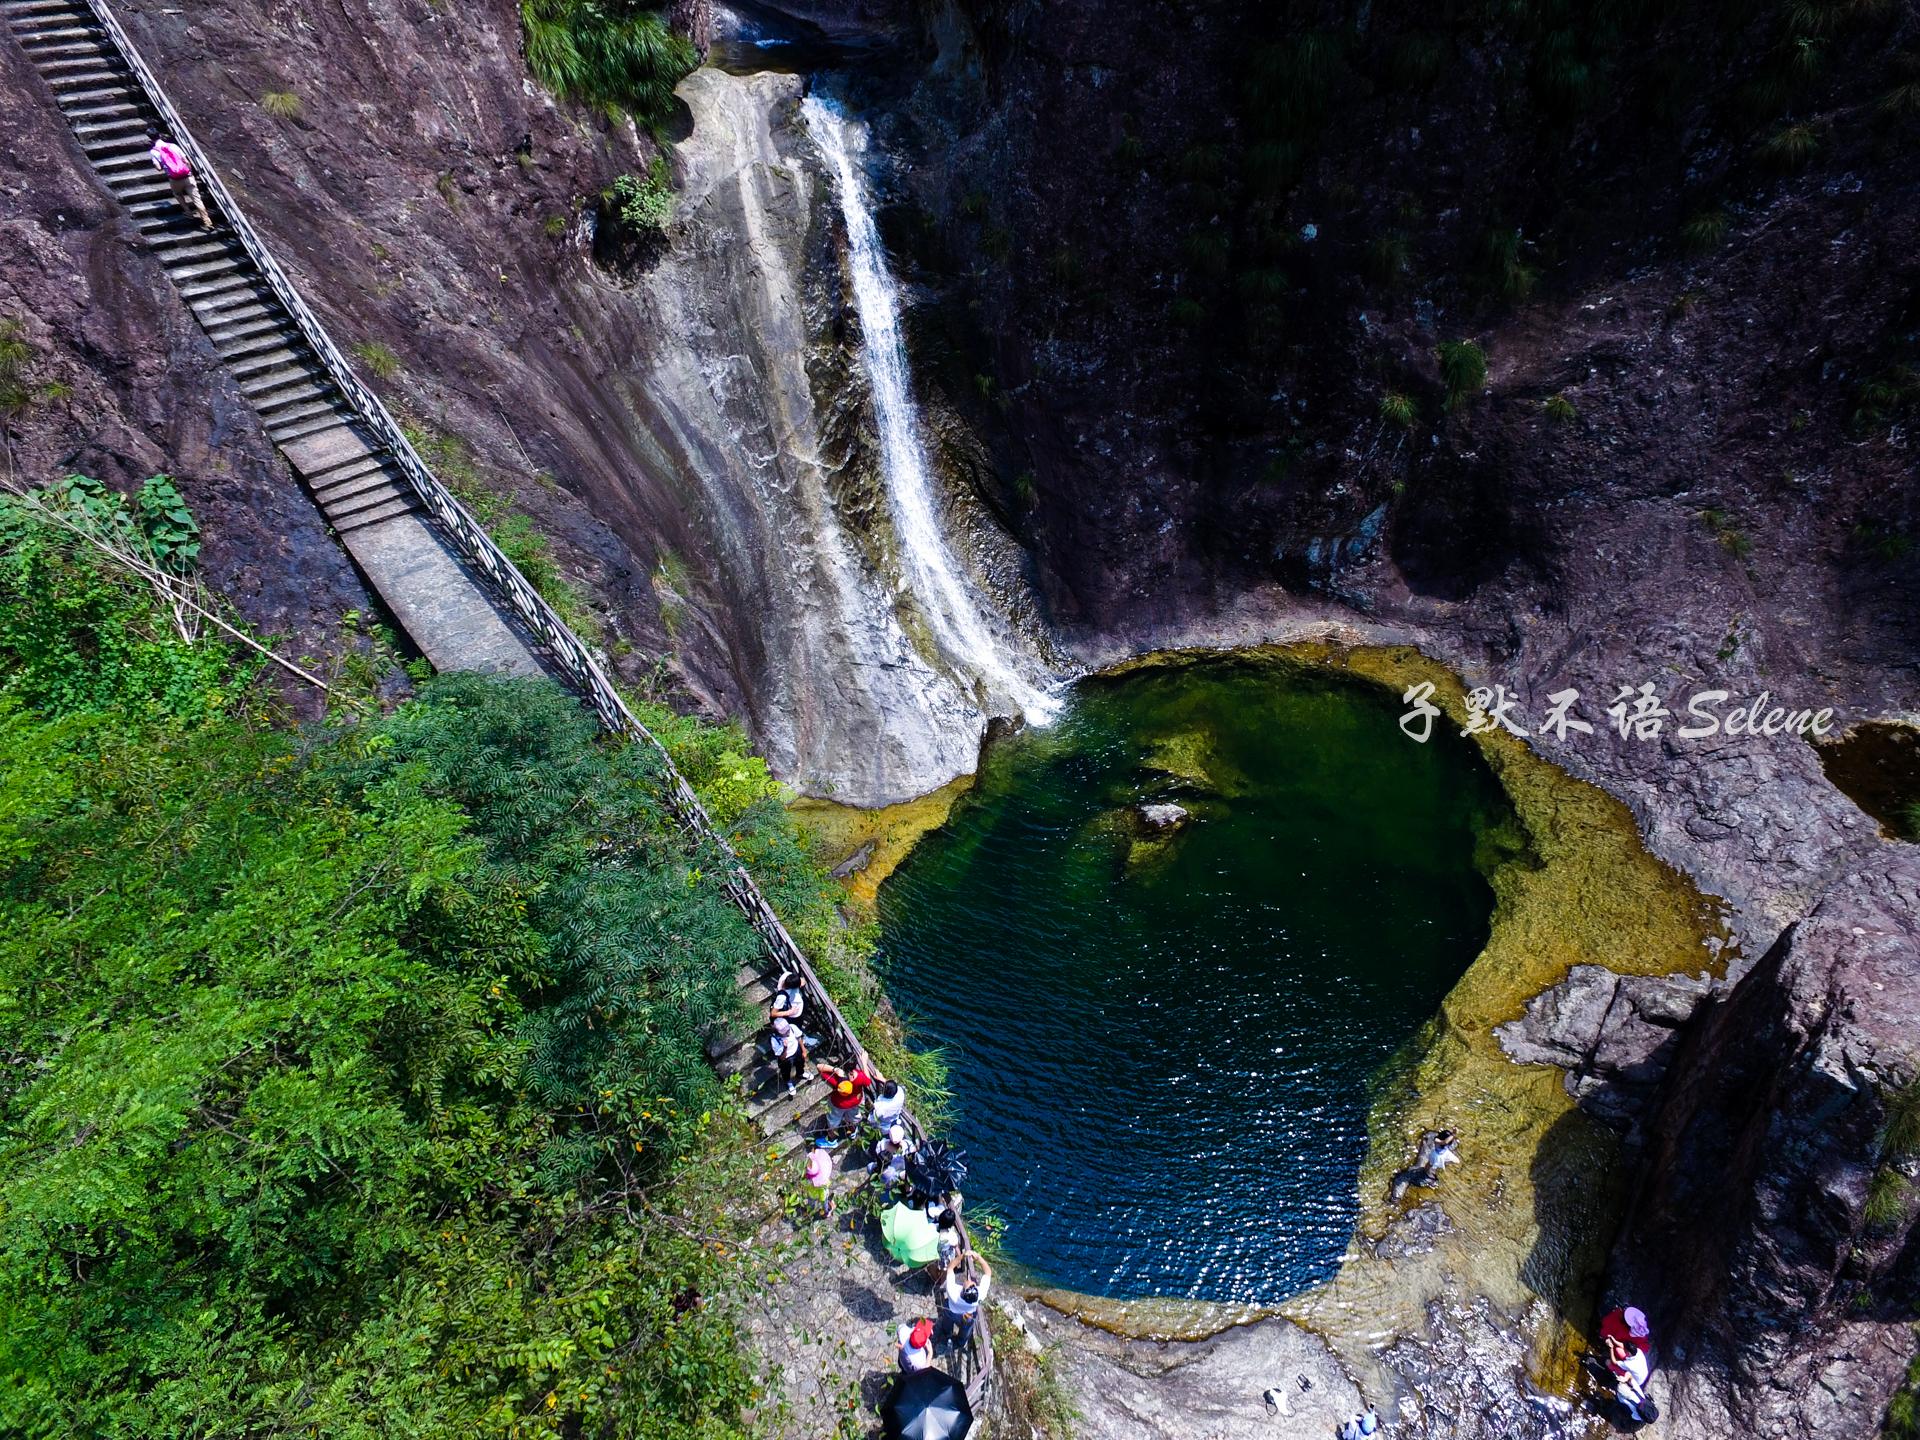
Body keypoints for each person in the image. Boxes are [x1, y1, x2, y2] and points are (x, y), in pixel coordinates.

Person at [1600, 1305, 1657, 1423]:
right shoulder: (1640, 1348)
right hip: (1637, 1377)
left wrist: (1611, 1347)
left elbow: (1615, 1361)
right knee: (1617, 1354)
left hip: (1637, 1377)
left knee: (1611, 1361)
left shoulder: (1636, 1355)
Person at [146, 128, 212, 229]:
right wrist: (190, 173)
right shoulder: (173, 146)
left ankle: (188, 212)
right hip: (187, 176)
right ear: (159, 135)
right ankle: (207, 221)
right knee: (197, 199)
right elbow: (186, 161)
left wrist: (164, 166)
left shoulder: (153, 152)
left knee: (177, 194)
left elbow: (158, 168)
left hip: (174, 179)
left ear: (150, 138)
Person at [936, 1252, 992, 1354]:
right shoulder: (980, 1295)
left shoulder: (953, 1293)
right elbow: (988, 1273)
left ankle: (947, 1332)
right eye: (973, 1284)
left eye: (969, 1283)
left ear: (963, 1292)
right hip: (968, 1315)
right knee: (966, 1329)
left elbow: (950, 1268)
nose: (971, 1281)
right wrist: (979, 1258)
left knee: (947, 1322)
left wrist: (962, 1256)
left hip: (951, 1311)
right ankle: (960, 1342)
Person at [1389, 1126, 1460, 1201]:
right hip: (1441, 1155)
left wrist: (1453, 1134)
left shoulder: (1441, 1141)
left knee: (1430, 1164)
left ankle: (1427, 1172)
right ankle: (1429, 1173)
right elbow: (1446, 1142)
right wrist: (1453, 1134)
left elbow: (1445, 1141)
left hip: (1440, 1155)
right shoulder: (1442, 1143)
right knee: (1433, 1164)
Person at [817, 1061, 873, 1135]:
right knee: (853, 1118)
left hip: (838, 1104)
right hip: (855, 1102)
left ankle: (832, 1139)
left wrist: (835, 1069)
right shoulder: (860, 1077)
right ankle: (852, 1132)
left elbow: (819, 1067)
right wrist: (864, 1062)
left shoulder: (837, 1080)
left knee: (833, 1121)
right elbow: (868, 1080)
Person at [769, 1017, 806, 1095]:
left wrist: (803, 1050)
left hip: (797, 1050)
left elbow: (799, 1038)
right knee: (786, 1071)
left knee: (800, 1063)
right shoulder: (775, 1040)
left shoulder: (792, 1027)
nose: (788, 1033)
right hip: (786, 1058)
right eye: (784, 1032)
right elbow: (782, 1057)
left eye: (787, 1030)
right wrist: (785, 1047)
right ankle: (788, 1082)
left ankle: (800, 1073)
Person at [802, 1137, 835, 1220]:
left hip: (813, 1193)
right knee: (820, 1201)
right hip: (816, 1191)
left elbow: (823, 1198)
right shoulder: (821, 1173)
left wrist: (824, 1207)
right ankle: (826, 1209)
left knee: (814, 1203)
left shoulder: (821, 1188)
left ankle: (827, 1211)